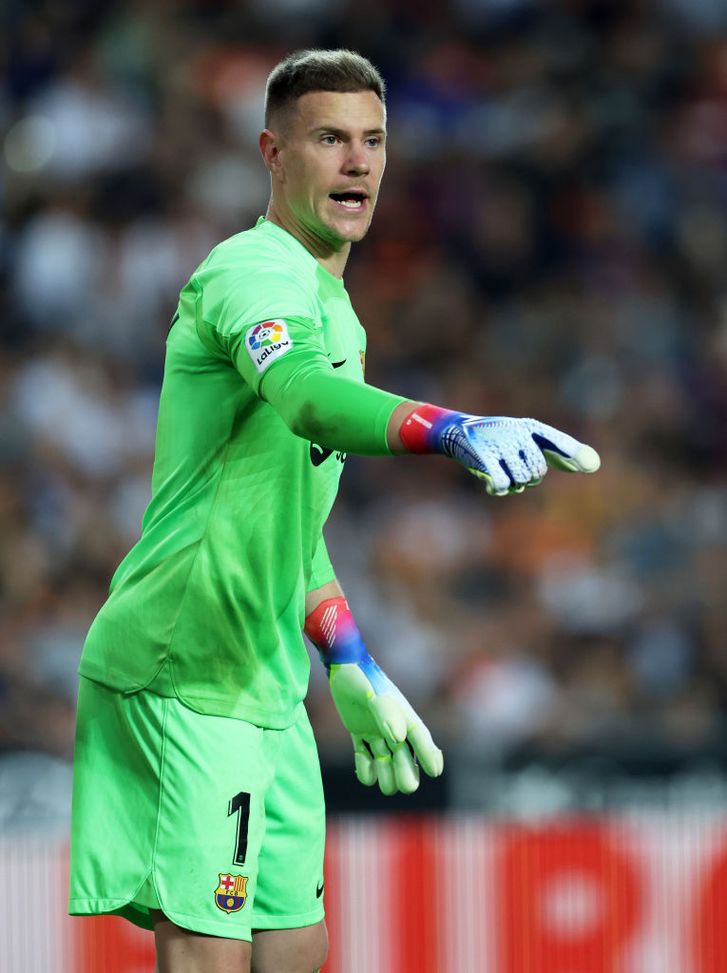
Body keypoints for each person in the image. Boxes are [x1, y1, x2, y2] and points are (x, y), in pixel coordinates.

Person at [68, 48, 600, 973]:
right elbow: (308, 400)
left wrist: (345, 652)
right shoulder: (248, 274)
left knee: (299, 949)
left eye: (372, 141)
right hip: (183, 669)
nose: (357, 162)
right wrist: (445, 424)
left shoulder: (335, 311)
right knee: (209, 953)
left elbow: (290, 526)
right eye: (328, 139)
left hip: (267, 684)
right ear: (274, 154)